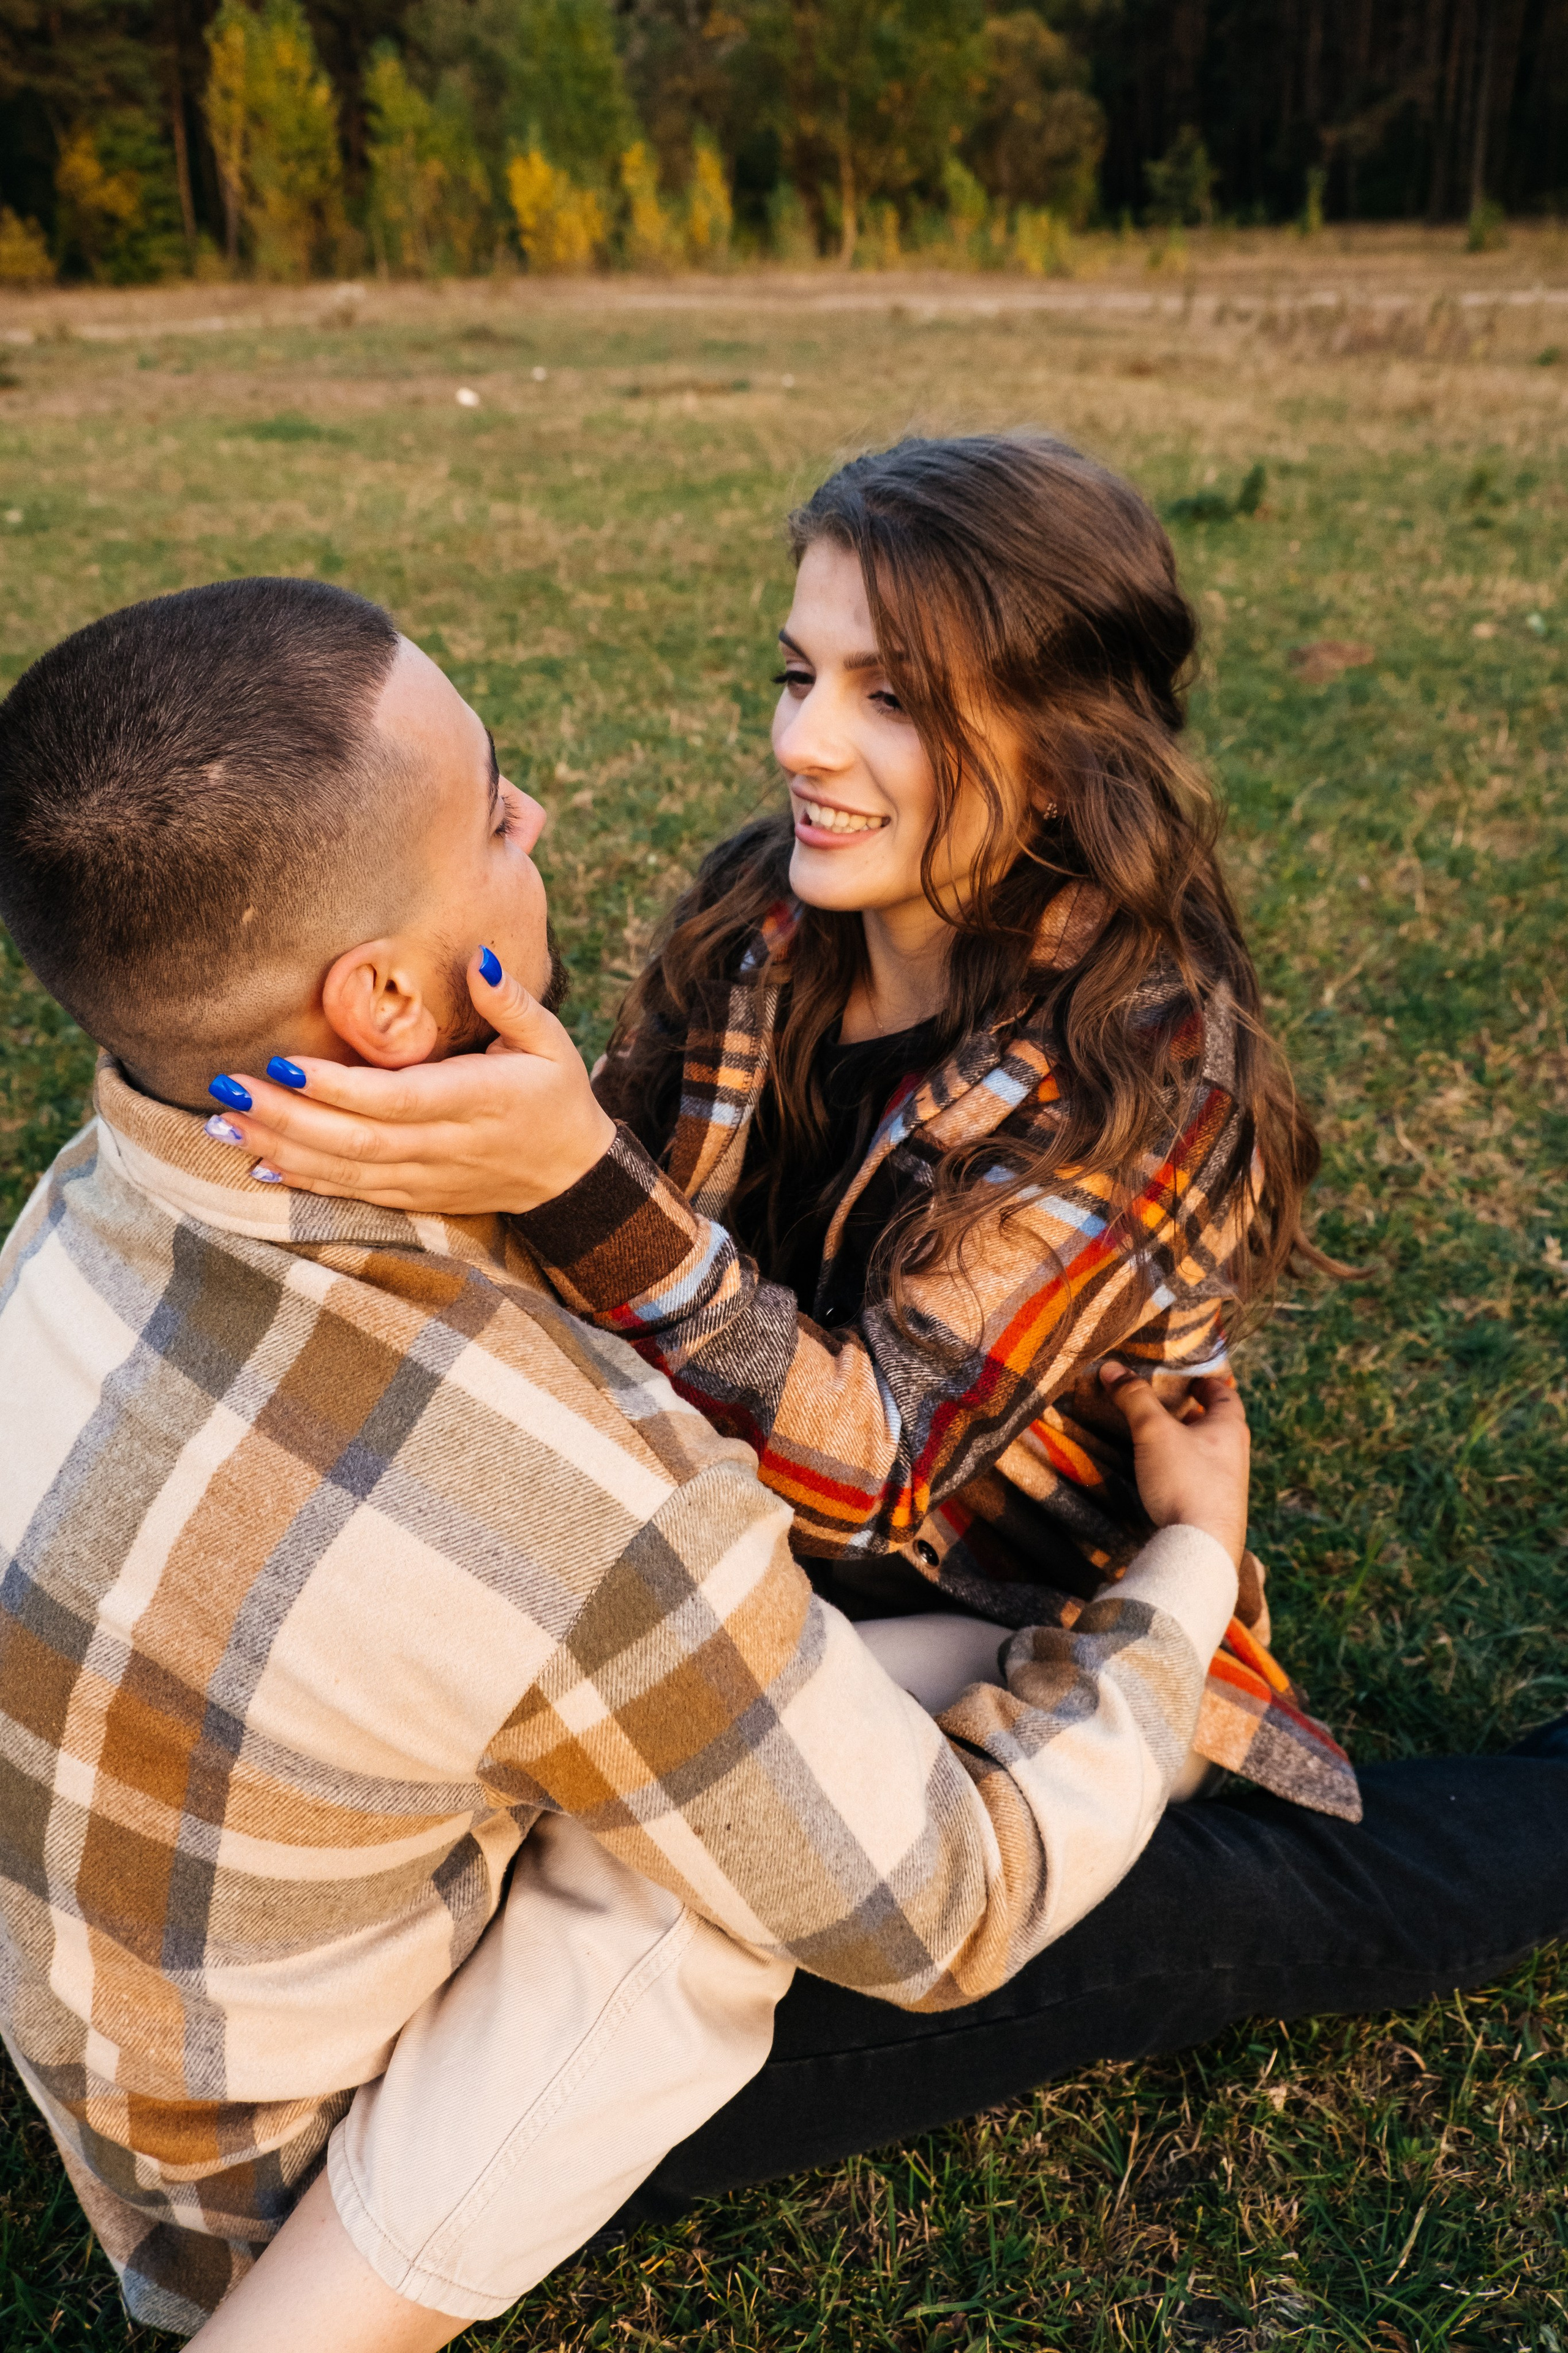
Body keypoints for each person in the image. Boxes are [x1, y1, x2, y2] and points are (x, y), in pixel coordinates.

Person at [2, 578, 1565, 2353]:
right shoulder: (572, 1487)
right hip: (336, 2175)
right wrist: (1191, 1566)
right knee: (1231, 1905)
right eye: (497, 806)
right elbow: (951, 1907)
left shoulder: (82, 1206)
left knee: (931, 1669)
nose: (543, 819)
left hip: (154, 2064)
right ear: (375, 997)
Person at [213, 433, 1357, 1821]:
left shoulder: (1153, 1067)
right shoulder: (766, 910)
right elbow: (606, 1170)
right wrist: (435, 1004)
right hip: (730, 1533)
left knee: (566, 1822)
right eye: (799, 674)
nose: (800, 741)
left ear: (1061, 761)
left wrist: (574, 1176)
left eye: (893, 698)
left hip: (1017, 1619)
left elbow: (869, 1474)